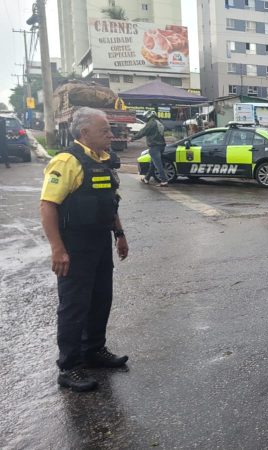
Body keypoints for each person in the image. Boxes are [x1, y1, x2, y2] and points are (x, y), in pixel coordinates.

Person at [39, 107, 129, 392]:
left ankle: (94, 350)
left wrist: (120, 234)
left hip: (100, 241)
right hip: (74, 245)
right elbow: (48, 205)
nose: (111, 135)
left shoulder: (104, 162)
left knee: (101, 298)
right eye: (105, 130)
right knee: (74, 305)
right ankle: (69, 366)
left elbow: (110, 202)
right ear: (84, 133)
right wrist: (57, 249)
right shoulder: (66, 162)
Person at [131, 110, 168, 187]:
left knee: (158, 165)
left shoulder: (152, 123)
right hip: (161, 146)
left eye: (145, 117)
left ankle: (164, 181)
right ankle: (146, 179)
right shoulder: (159, 122)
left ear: (149, 115)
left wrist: (133, 138)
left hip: (154, 146)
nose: (145, 118)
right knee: (153, 164)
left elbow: (143, 132)